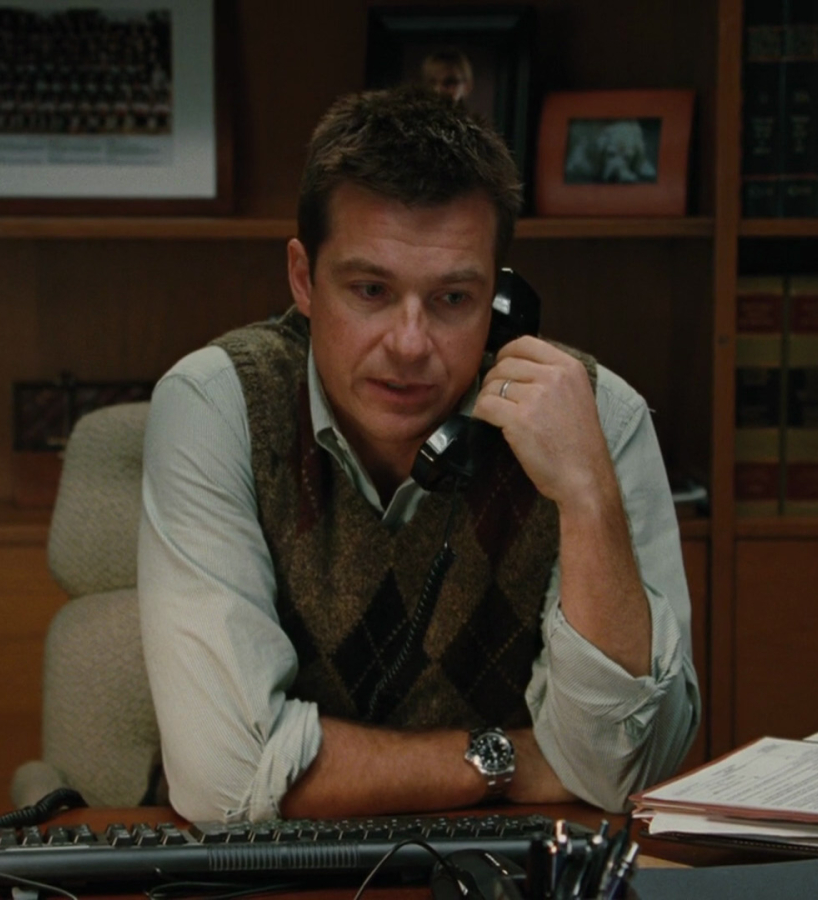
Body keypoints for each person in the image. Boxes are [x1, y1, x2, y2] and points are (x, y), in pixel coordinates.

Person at [138, 85, 699, 824]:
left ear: (500, 300)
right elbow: (226, 780)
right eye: (371, 289)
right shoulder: (217, 406)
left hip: (507, 867)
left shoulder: (597, 418)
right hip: (259, 873)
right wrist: (503, 762)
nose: (409, 344)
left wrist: (587, 498)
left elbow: (624, 770)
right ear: (304, 279)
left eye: (452, 299)